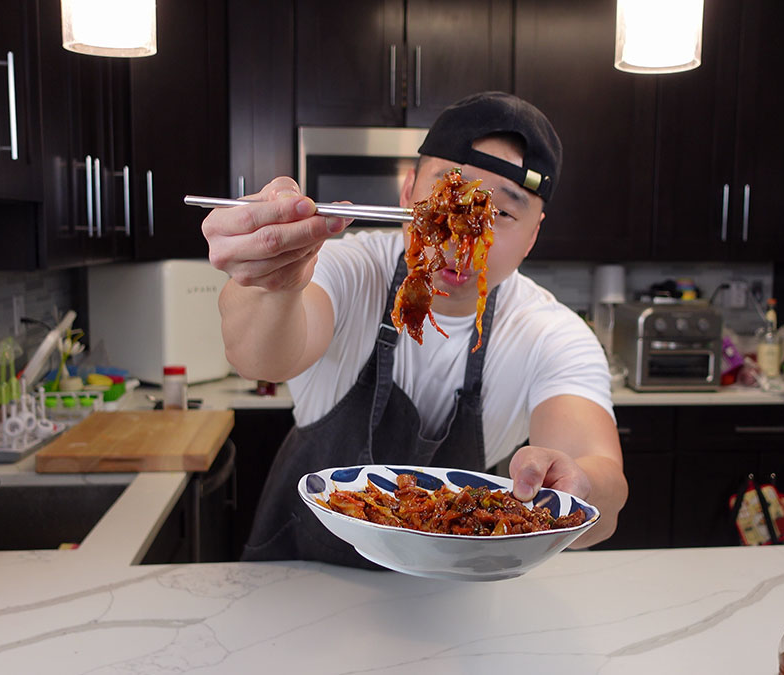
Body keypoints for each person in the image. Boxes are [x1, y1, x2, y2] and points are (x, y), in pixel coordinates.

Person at [202, 91, 627, 566]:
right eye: (452, 194)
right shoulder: (351, 268)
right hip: (299, 582)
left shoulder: (550, 333)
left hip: (446, 595)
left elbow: (600, 478)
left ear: (533, 234)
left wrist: (578, 484)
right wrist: (272, 280)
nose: (465, 240)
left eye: (502, 214)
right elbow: (258, 358)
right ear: (408, 194)